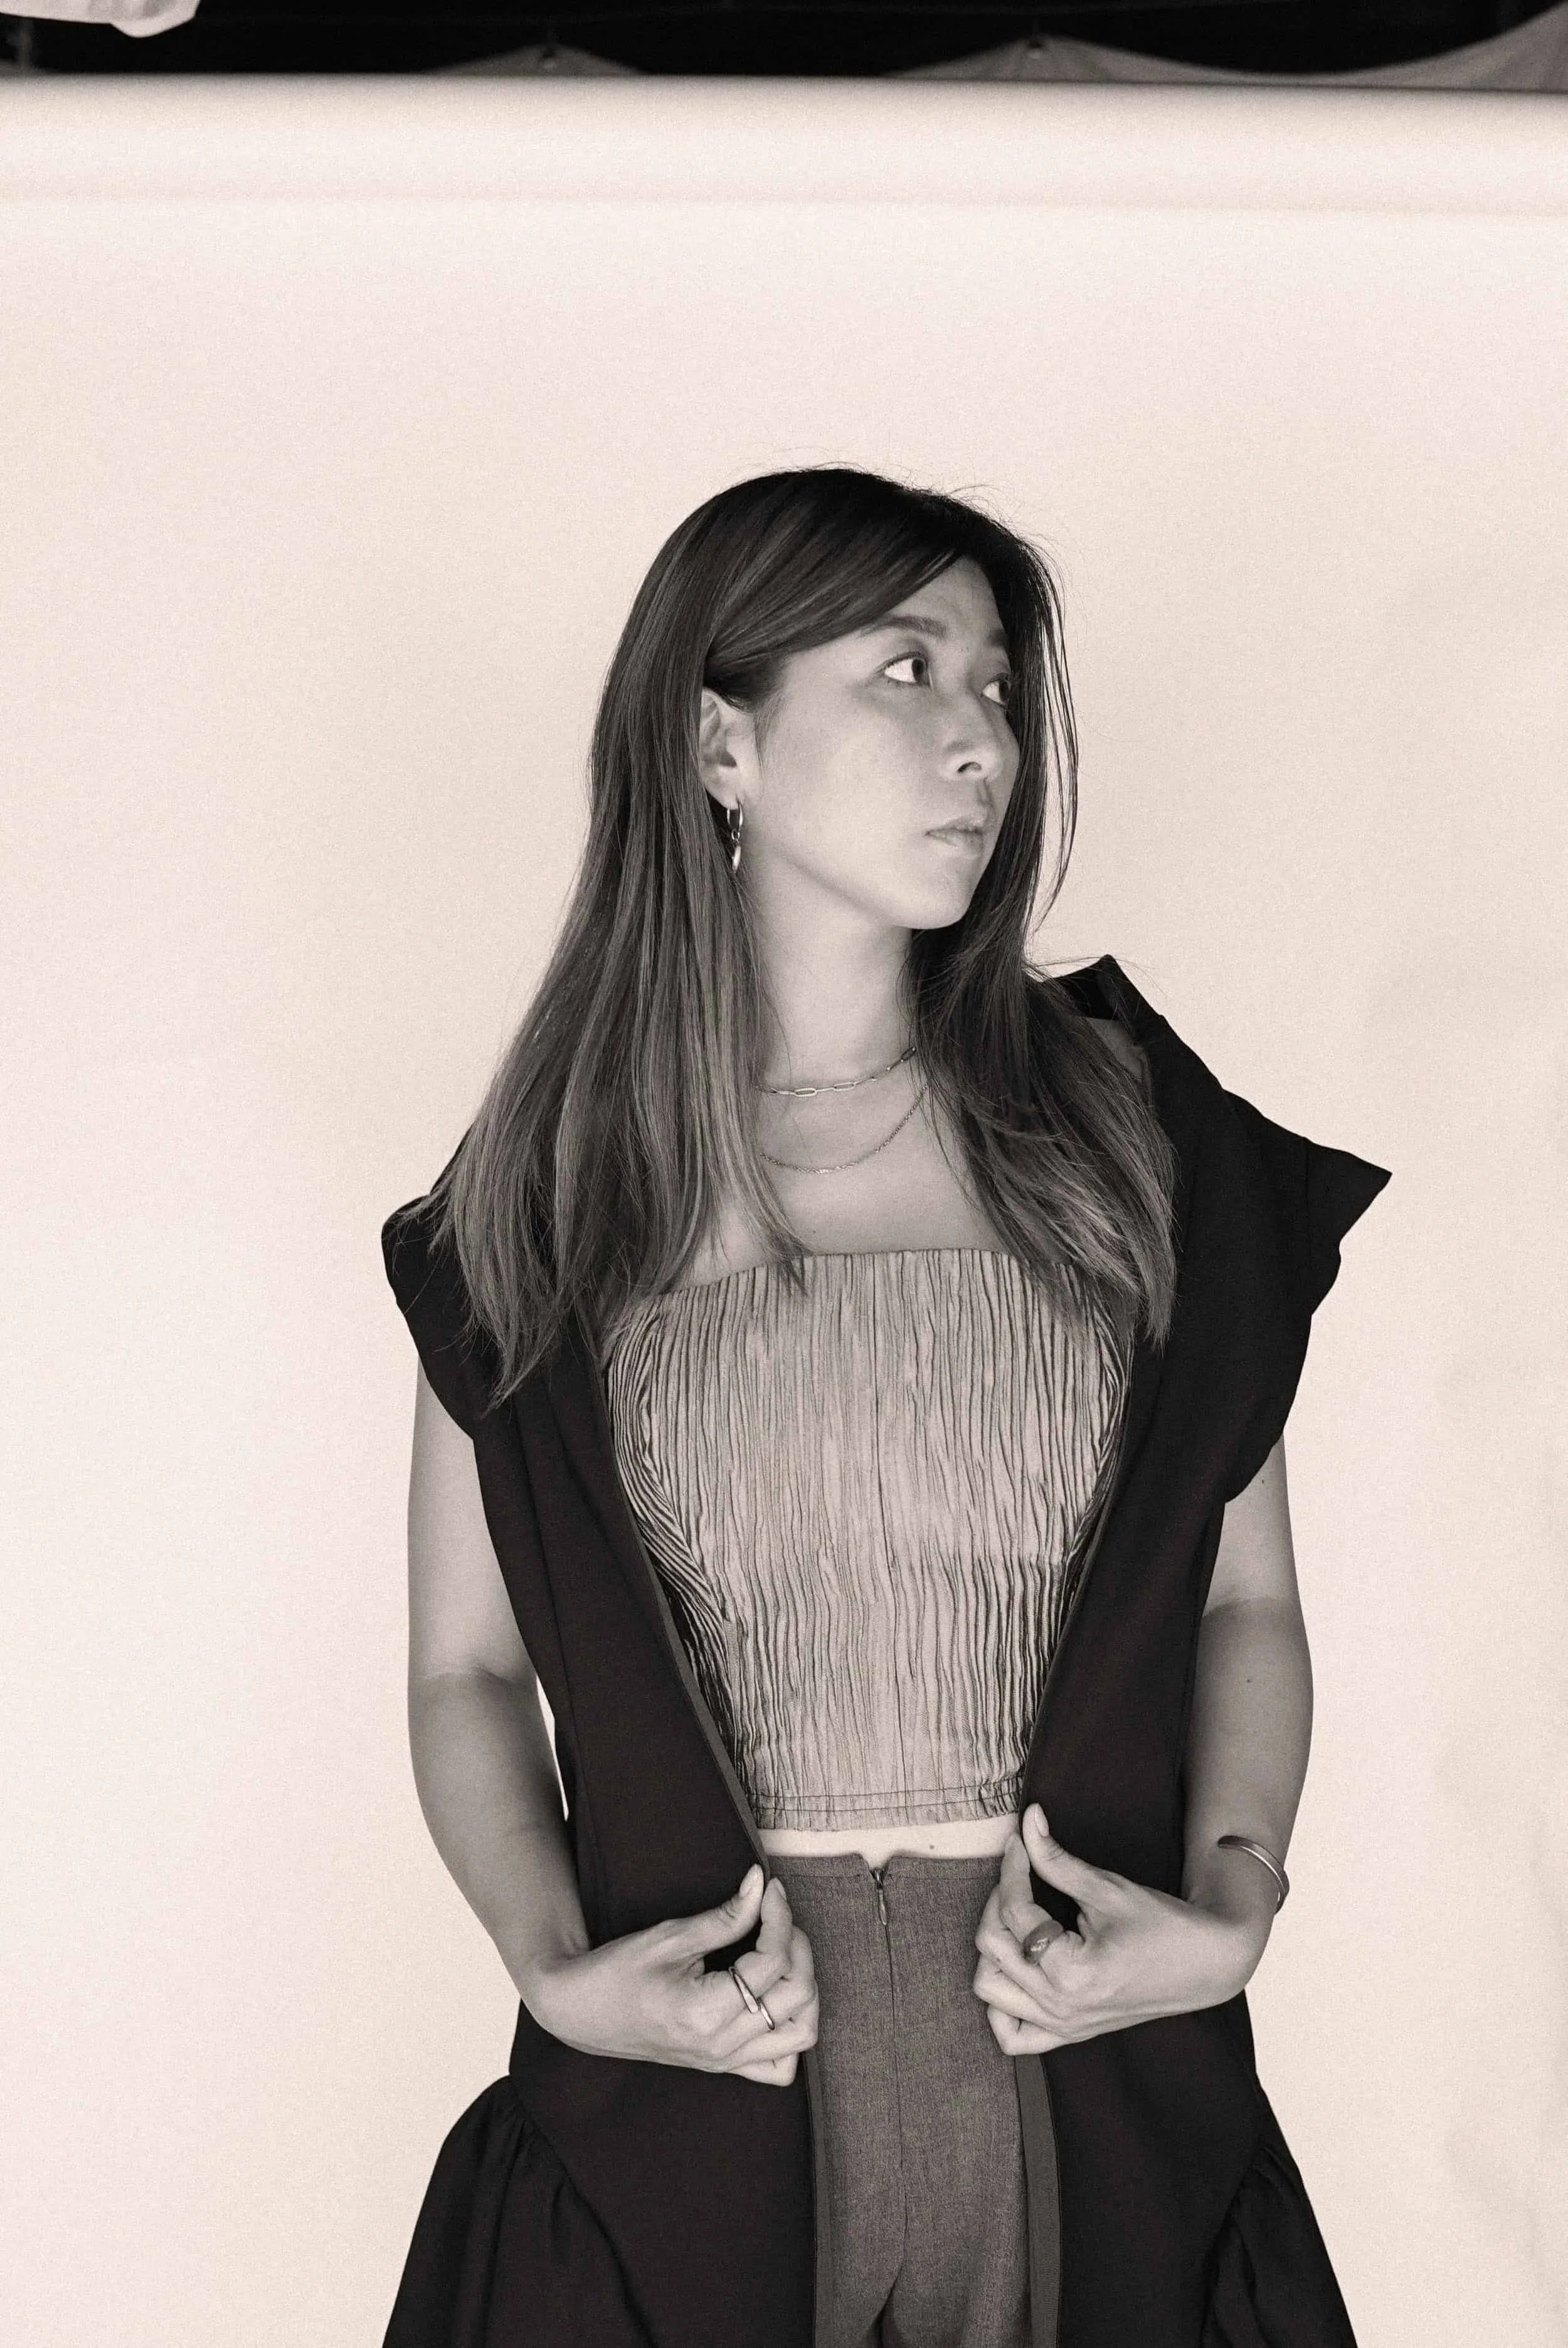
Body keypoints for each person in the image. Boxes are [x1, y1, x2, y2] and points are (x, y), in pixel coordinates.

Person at [379, 465, 1390, 2348]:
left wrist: (1230, 1904)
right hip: (690, 2121)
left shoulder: (1139, 1147)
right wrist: (558, 1969)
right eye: (904, 672)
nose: (978, 740)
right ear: (720, 742)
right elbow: (465, 1669)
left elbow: (1245, 1596)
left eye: (998, 686)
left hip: (1094, 2095)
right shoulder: (550, 1195)